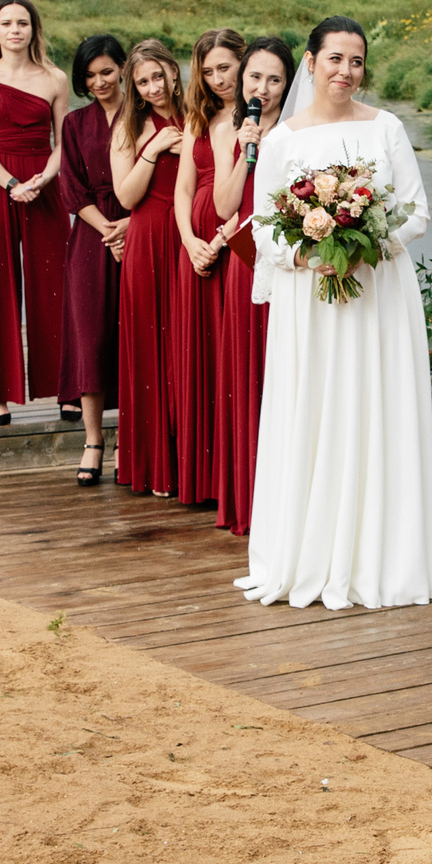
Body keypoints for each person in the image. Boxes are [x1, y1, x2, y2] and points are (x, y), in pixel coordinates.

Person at [236, 16, 432, 609]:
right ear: (311, 63)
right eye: (336, 59)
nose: (347, 71)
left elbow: (416, 212)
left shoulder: (386, 128)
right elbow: (264, 229)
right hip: (309, 305)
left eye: (358, 61)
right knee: (314, 407)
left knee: (375, 405)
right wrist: (308, 251)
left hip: (376, 298)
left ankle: (384, 551)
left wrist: (367, 245)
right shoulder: (283, 141)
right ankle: (307, 552)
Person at [0, 0, 72, 424]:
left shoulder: (54, 79)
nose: (15, 30)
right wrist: (11, 184)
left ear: (34, 29)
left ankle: (66, 386)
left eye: (23, 23)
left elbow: (64, 143)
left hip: (45, 185)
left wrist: (43, 180)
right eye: (6, 23)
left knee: (56, 287)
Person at [204, 36, 291, 536]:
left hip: (291, 265)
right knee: (248, 376)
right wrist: (245, 150)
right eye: (255, 77)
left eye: (274, 79)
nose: (263, 88)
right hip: (248, 265)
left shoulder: (300, 130)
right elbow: (223, 205)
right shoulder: (230, 130)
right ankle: (248, 500)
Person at [172, 30, 245, 509]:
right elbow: (182, 190)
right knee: (197, 355)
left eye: (226, 67)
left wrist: (219, 241)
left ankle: (232, 480)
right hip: (195, 248)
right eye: (209, 71)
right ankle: (200, 480)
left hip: (233, 244)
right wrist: (190, 241)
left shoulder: (259, 118)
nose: (218, 79)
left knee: (229, 357)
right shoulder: (200, 118)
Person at [112, 38, 188, 498]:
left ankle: (189, 463)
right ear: (135, 88)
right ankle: (153, 465)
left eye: (158, 76)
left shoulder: (198, 113)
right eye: (143, 81)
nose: (153, 86)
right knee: (149, 347)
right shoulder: (130, 127)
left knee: (183, 345)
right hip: (149, 238)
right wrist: (154, 149)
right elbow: (125, 197)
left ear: (173, 73)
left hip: (187, 235)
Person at [56, 34, 129, 487]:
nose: (99, 81)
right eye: (89, 75)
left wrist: (128, 226)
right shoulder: (74, 122)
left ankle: (129, 439)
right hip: (91, 234)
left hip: (136, 228)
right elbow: (70, 187)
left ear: (122, 67)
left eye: (106, 71)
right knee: (91, 336)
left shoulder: (142, 114)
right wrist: (105, 227)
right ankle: (93, 440)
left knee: (133, 333)